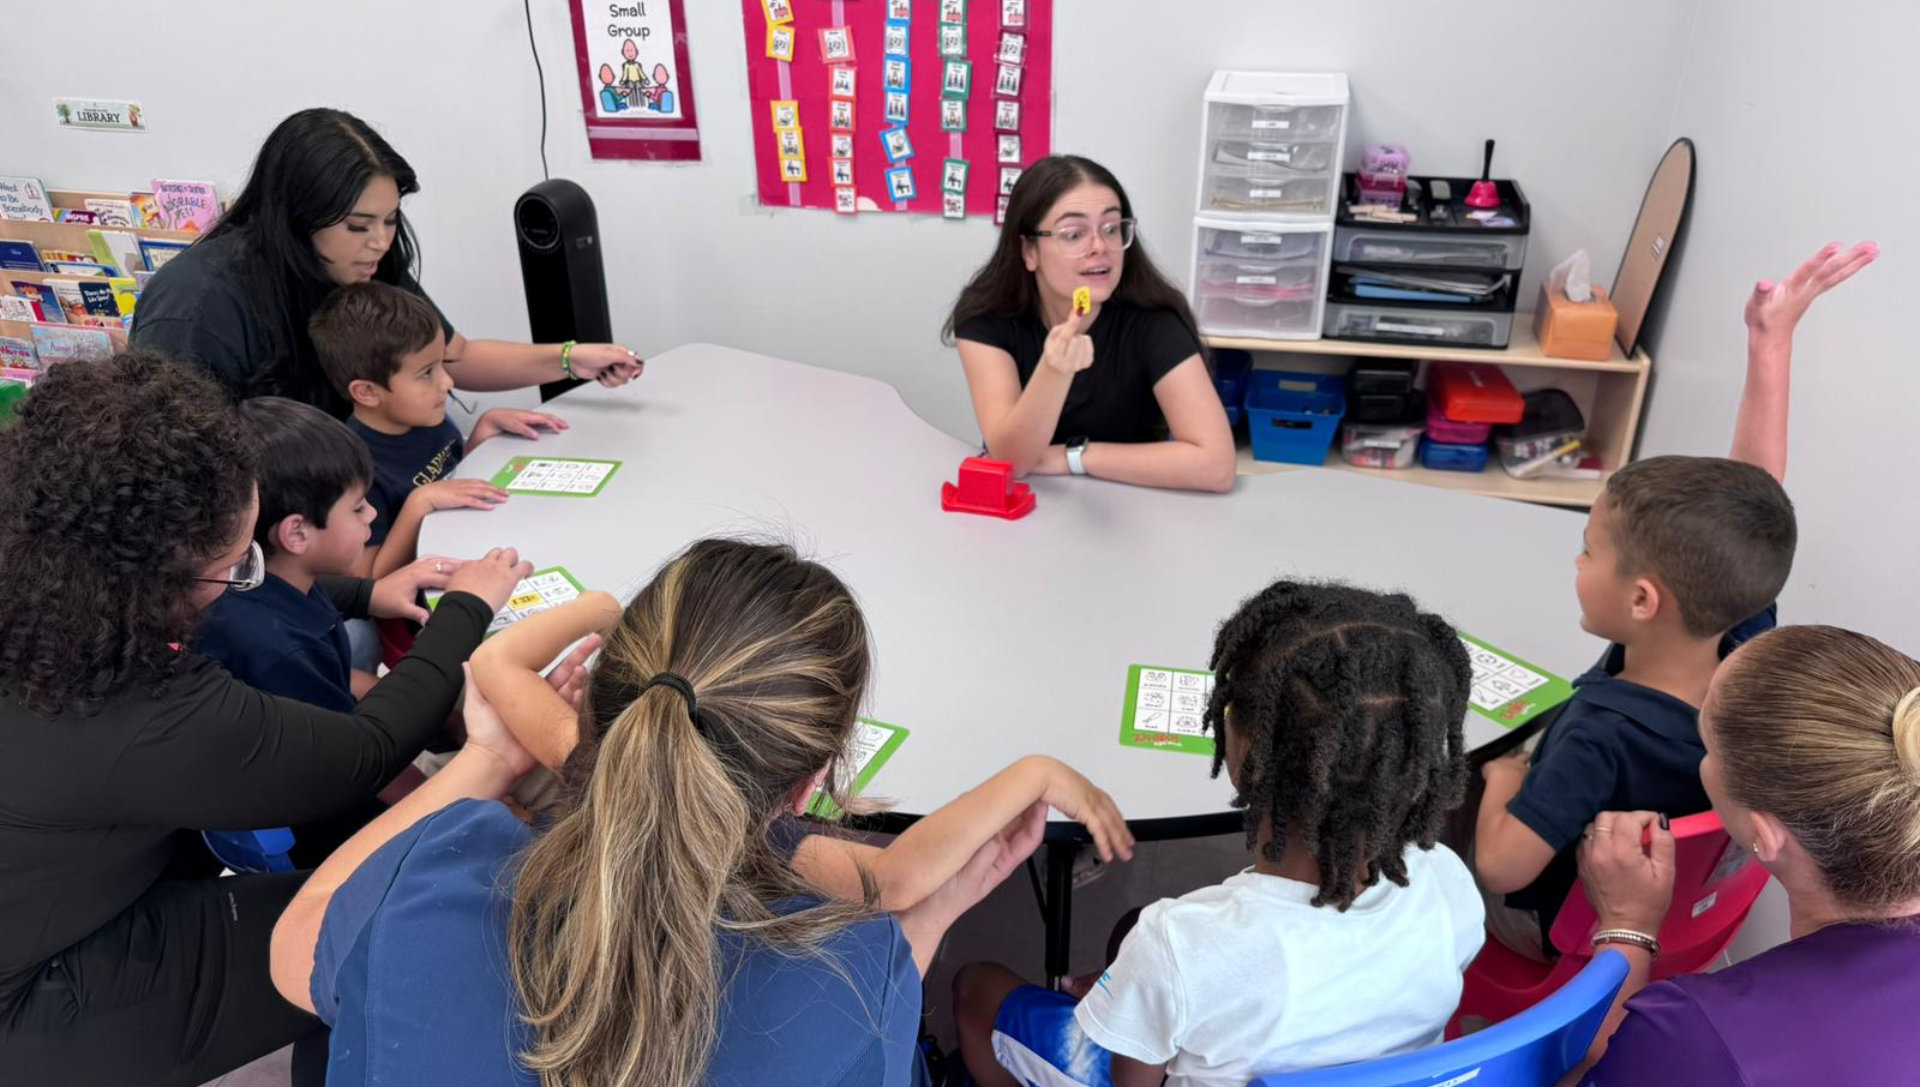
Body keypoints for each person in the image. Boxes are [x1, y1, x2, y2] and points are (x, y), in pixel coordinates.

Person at [270, 539, 1133, 1086]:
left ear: (610, 698)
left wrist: (487, 758)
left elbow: (293, 947)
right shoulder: (851, 984)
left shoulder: (438, 869)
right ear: (811, 785)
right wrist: (936, 912)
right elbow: (896, 887)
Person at [0, 353, 531, 1087]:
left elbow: (270, 591)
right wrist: (469, 609)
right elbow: (367, 749)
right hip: (40, 997)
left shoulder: (49, 591)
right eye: (233, 563)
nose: (246, 575)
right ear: (154, 576)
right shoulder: (141, 711)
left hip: (58, 887)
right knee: (374, 925)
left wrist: (361, 593)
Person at [1471, 240, 1875, 959]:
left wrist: (1503, 778)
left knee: (1451, 800)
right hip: (1691, 911)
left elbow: (1503, 865)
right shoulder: (1745, 649)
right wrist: (1770, 340)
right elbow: (1755, 498)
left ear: (1643, 599)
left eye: (1589, 548)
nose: (1576, 558)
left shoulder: (1598, 734)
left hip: (1560, 927)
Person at [953, 580, 1486, 1087]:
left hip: (1162, 1024)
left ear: (1246, 757)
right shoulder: (1446, 880)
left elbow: (1132, 1082)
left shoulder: (1178, 943)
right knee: (1132, 935)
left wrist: (1140, 1002)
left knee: (977, 987)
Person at [1568, 626, 1920, 1085]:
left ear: (1763, 835)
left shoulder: (1698, 1034)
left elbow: (1602, 1068)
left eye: (1707, 745)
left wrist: (1627, 924)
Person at [131, 107, 642, 416]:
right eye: (358, 226)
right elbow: (182, 472)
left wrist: (572, 358)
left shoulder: (364, 260)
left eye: (391, 219)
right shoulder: (197, 308)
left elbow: (452, 356)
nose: (379, 242)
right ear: (294, 217)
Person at [944, 155, 1235, 493]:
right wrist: (1054, 370)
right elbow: (1013, 460)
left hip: (1132, 507)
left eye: (1111, 228)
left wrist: (1074, 457)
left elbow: (1216, 467)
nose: (1099, 246)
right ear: (1029, 250)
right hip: (1029, 508)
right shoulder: (987, 319)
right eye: (1073, 234)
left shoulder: (1154, 322)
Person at [310, 281, 563, 579]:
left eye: (442, 365)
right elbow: (369, 579)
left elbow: (451, 479)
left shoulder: (427, 418)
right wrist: (419, 504)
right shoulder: (352, 469)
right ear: (367, 392)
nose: (447, 383)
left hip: (468, 547)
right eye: (427, 373)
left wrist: (483, 432)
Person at [195, 397, 385, 712]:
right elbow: (352, 750)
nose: (372, 514)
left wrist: (374, 594)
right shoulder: (278, 651)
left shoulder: (258, 586)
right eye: (357, 508)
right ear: (296, 534)